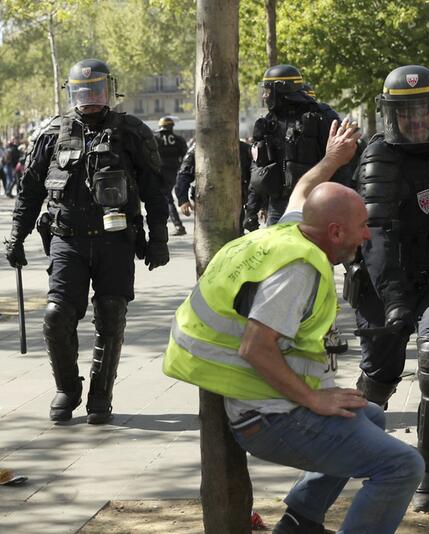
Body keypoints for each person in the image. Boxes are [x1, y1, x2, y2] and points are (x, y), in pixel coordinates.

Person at [164, 120, 424, 534]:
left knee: (369, 416)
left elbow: (304, 188)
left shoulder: (287, 231)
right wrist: (313, 399)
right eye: (361, 227)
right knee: (402, 465)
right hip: (267, 417)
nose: (366, 236)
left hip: (264, 403)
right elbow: (256, 347)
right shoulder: (297, 269)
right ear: (335, 231)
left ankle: (299, 522)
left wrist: (333, 159)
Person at [3, 58, 169, 425]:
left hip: (116, 241)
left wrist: (159, 238)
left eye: (96, 91)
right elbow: (30, 191)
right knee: (55, 316)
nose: (90, 98)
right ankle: (67, 388)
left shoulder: (131, 132)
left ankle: (100, 395)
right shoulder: (51, 134)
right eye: (82, 92)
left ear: (110, 90)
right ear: (72, 94)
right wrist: (17, 236)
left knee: (111, 315)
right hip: (67, 240)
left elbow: (156, 190)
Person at [351, 65, 429, 511]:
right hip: (385, 284)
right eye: (405, 113)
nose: (416, 121)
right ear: (392, 115)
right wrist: (394, 301)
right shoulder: (379, 157)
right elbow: (377, 234)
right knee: (379, 374)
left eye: (424, 110)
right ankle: (359, 449)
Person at [248, 65, 350, 227]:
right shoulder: (268, 122)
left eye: (268, 91)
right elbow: (259, 169)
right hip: (278, 206)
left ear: (281, 89)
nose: (265, 96)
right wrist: (251, 210)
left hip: (316, 202)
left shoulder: (321, 117)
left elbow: (343, 162)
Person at [175, 138, 254, 229]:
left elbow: (254, 178)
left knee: (235, 235)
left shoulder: (243, 148)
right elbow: (184, 173)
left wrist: (257, 205)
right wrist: (183, 199)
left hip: (234, 203)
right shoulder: (200, 148)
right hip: (207, 202)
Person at [155, 116, 188, 236]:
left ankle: (178, 225)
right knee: (176, 194)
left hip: (161, 171)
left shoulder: (155, 138)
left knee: (168, 199)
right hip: (176, 170)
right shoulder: (178, 139)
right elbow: (185, 155)